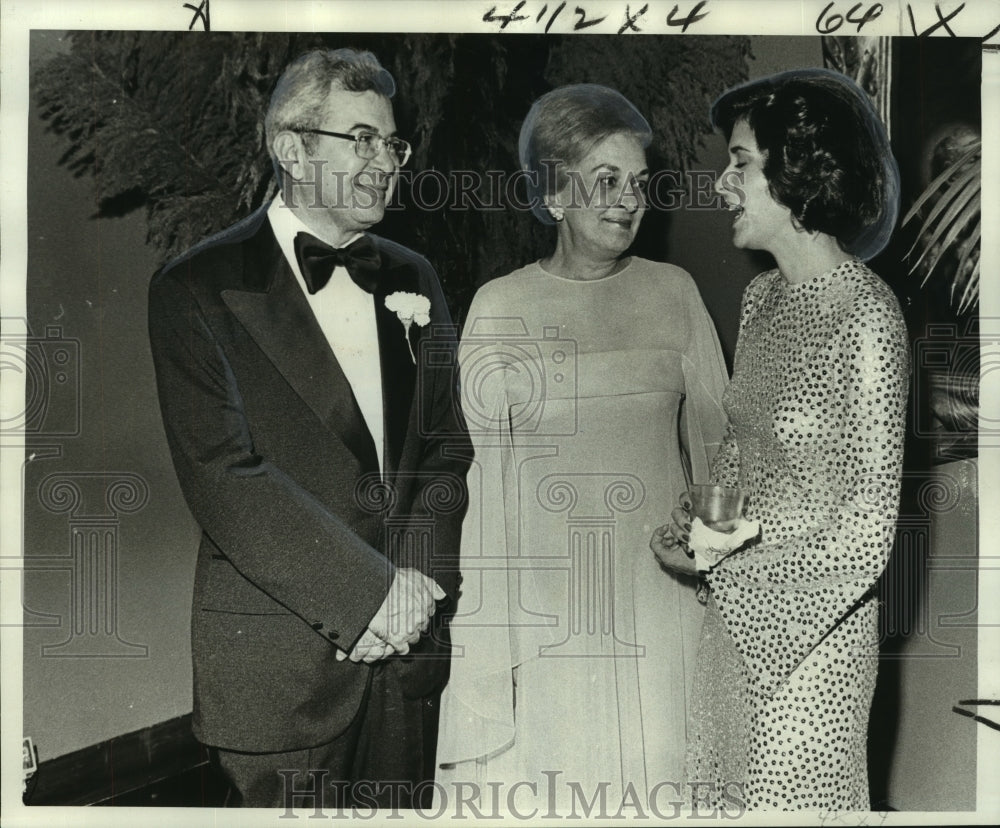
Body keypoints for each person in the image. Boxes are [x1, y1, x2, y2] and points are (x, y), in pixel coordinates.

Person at [148, 48, 470, 809]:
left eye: (392, 142)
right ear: (291, 148)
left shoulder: (412, 276)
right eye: (360, 138)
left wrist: (415, 597)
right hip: (281, 677)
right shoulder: (196, 288)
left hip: (405, 665)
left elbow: (445, 451)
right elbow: (224, 477)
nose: (385, 160)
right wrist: (366, 599)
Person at [436, 84, 729, 812]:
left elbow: (726, 456)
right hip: (547, 617)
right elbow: (478, 489)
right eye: (606, 181)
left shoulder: (676, 292)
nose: (628, 200)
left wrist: (705, 548)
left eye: (638, 182)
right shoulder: (500, 308)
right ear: (555, 191)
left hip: (663, 610)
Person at [650, 68, 908, 810]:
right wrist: (701, 538)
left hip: (813, 644)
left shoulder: (867, 316)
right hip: (733, 629)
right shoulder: (762, 299)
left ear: (797, 168)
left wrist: (732, 578)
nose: (724, 185)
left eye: (740, 162)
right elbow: (742, 452)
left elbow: (865, 531)